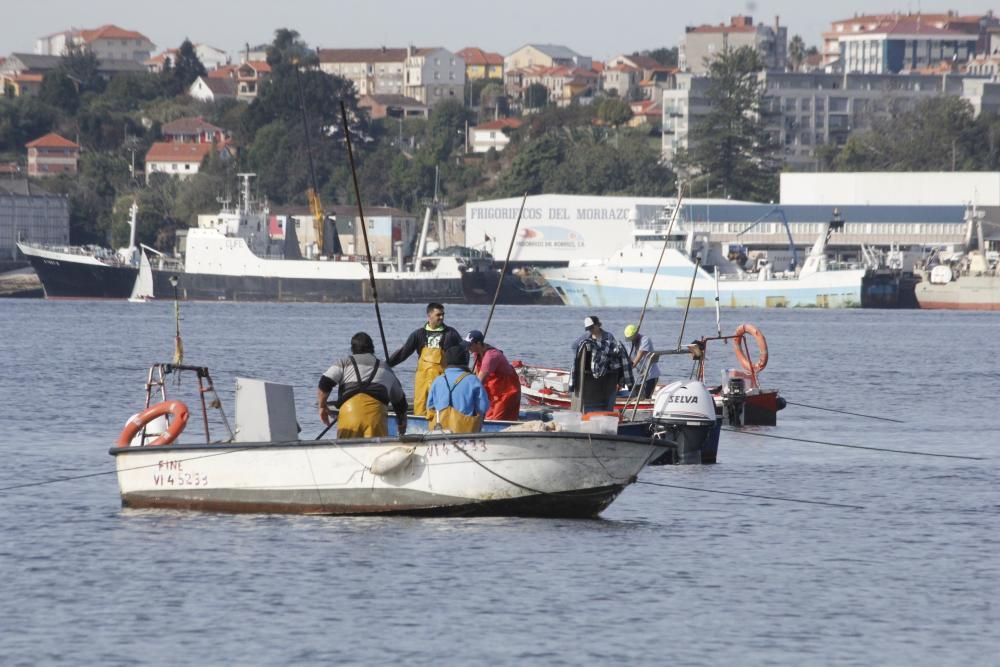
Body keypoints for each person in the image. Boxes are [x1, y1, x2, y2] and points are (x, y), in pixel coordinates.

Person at [318, 332, 408, 438]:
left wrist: (322, 406)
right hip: (376, 420)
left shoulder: (343, 363)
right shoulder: (385, 368)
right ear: (372, 348)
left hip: (350, 418)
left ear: (352, 349)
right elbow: (400, 401)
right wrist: (401, 422)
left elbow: (324, 383)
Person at [387, 302, 463, 416]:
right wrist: (386, 365)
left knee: (441, 404)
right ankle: (419, 423)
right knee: (420, 404)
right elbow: (404, 352)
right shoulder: (418, 334)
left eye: (443, 314)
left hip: (442, 377)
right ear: (429, 316)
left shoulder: (451, 334)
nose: (441, 317)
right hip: (422, 377)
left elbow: (461, 355)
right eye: (438, 315)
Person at [569, 315, 634, 413]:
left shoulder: (608, 336)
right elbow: (574, 346)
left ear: (597, 325)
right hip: (589, 375)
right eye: (588, 329)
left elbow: (615, 351)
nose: (590, 330)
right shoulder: (586, 337)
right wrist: (580, 359)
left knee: (608, 401)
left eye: (591, 328)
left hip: (608, 374)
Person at [426, 345, 490, 433]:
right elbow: (483, 407)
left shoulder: (437, 380)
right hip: (464, 430)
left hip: (438, 429)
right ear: (466, 361)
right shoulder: (473, 380)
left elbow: (429, 407)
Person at [465, 329, 521, 421]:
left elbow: (478, 382)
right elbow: (476, 374)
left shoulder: (490, 357)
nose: (468, 348)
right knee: (487, 417)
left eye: (470, 345)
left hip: (507, 392)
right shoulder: (477, 353)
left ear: (478, 344)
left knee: (498, 419)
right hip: (493, 392)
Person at [623, 323, 661, 399]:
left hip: (650, 375)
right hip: (639, 377)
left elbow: (640, 354)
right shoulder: (630, 344)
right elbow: (628, 358)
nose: (631, 340)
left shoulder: (645, 339)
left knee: (645, 397)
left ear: (636, 334)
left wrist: (632, 365)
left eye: (632, 338)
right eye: (629, 339)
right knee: (635, 396)